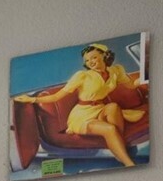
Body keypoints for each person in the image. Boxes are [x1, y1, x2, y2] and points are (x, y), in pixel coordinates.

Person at [14, 43, 148, 168]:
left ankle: (119, 151)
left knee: (113, 107)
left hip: (99, 109)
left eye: (94, 57)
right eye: (87, 61)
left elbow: (131, 85)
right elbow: (57, 97)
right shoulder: (82, 76)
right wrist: (31, 100)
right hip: (82, 115)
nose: (90, 62)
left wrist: (147, 76)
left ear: (105, 55)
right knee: (110, 129)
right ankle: (129, 164)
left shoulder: (116, 71)